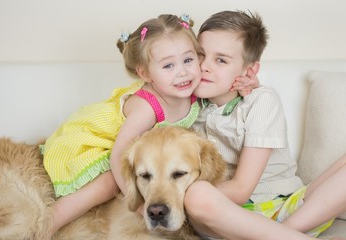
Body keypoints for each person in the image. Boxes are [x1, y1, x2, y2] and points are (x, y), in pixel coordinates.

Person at [184, 10, 346, 240]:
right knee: (197, 195)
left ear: (249, 70)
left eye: (220, 60)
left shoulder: (260, 100)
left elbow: (241, 190)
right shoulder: (188, 105)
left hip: (288, 209)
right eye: (200, 55)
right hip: (228, 219)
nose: (204, 67)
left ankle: (284, 235)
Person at [42, 14, 204, 236]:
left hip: (128, 148)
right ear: (145, 73)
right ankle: (49, 224)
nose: (182, 72)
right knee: (109, 183)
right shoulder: (146, 109)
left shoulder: (191, 89)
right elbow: (119, 154)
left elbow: (224, 87)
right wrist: (135, 202)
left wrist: (246, 83)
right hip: (95, 142)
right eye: (168, 65)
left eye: (188, 60)